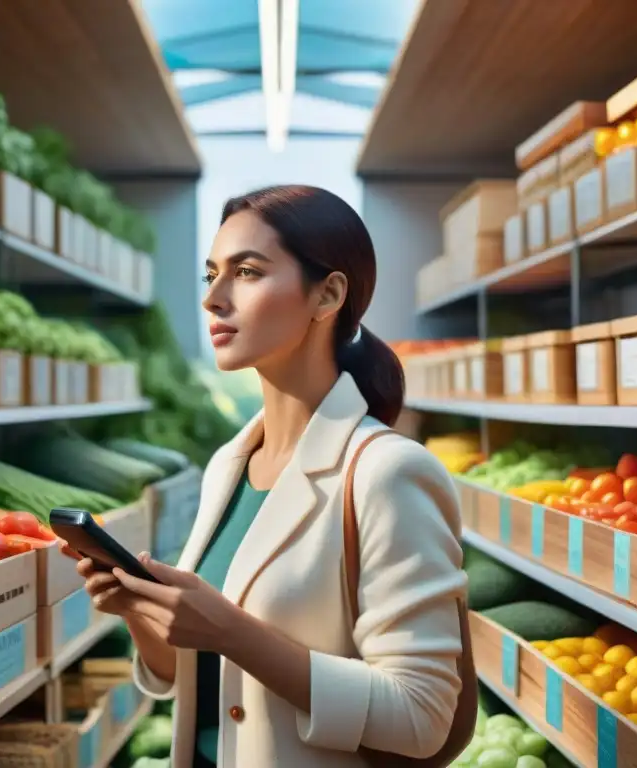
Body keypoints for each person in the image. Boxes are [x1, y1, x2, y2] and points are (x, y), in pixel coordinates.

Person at [75, 185, 468, 767]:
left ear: (327, 294)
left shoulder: (389, 473)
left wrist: (231, 632)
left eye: (247, 272)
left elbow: (422, 716)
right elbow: (202, 683)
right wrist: (139, 610)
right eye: (211, 274)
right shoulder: (228, 467)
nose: (213, 298)